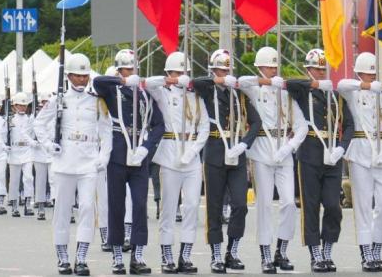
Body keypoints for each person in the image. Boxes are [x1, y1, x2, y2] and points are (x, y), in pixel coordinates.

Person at [34, 53, 112, 276]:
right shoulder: (58, 100)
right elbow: (39, 124)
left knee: (88, 207)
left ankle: (81, 258)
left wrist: (103, 157)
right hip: (64, 161)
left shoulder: (97, 101)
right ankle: (63, 258)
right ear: (68, 76)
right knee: (62, 210)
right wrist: (49, 146)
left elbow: (107, 131)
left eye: (85, 76)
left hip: (88, 162)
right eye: (77, 76)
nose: (81, 80)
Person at [93, 49, 165, 275]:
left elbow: (159, 125)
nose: (131, 72)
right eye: (126, 69)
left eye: (133, 69)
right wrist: (123, 80)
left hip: (138, 157)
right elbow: (97, 81)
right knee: (116, 205)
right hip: (117, 155)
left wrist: (146, 148)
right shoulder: (112, 91)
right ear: (119, 69)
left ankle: (138, 256)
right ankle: (116, 257)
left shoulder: (145, 95)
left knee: (140, 205)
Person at [237, 47, 308, 273]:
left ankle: (282, 250)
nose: (274, 69)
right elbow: (240, 80)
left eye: (276, 66)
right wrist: (266, 81)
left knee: (288, 202)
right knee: (265, 205)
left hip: (283, 153)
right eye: (269, 66)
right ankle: (265, 254)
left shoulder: (285, 93)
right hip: (260, 153)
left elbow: (302, 127)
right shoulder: (253, 89)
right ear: (260, 67)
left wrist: (289, 148)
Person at [192, 49, 262, 274]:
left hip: (236, 152)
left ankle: (232, 251)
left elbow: (256, 122)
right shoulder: (206, 89)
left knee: (240, 205)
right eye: (220, 70)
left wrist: (245, 143)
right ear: (213, 71)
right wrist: (218, 80)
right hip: (214, 151)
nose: (224, 74)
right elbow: (194, 81)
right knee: (213, 206)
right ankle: (215, 255)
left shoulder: (238, 94)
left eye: (226, 70)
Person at [286, 48, 354, 273]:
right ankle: (315, 253)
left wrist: (342, 149)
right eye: (316, 68)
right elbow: (287, 83)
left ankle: (327, 250)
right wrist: (314, 85)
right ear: (308, 70)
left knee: (334, 206)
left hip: (332, 155)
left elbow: (350, 125)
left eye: (323, 69)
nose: (320, 72)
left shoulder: (335, 96)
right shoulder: (303, 91)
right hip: (310, 153)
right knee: (311, 206)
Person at [337, 52, 382, 272]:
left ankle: (377, 247)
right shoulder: (353, 93)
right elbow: (341, 85)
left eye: (373, 73)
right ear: (358, 73)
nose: (369, 76)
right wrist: (364, 85)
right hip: (360, 153)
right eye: (365, 73)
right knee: (363, 205)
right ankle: (366, 252)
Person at [145, 51, 210, 274]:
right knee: (168, 208)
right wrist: (171, 80)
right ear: (169, 72)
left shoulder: (196, 96)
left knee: (192, 206)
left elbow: (204, 128)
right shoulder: (163, 93)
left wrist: (192, 153)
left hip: (191, 158)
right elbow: (147, 84)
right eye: (177, 72)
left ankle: (186, 256)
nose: (182, 76)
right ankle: (167, 256)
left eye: (185, 73)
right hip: (169, 156)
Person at [8, 92, 36, 217]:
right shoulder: (9, 120)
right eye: (19, 105)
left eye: (24, 105)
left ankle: (28, 203)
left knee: (29, 178)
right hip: (14, 151)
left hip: (27, 151)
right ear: (14, 106)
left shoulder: (30, 119)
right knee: (14, 180)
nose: (22, 108)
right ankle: (14, 205)